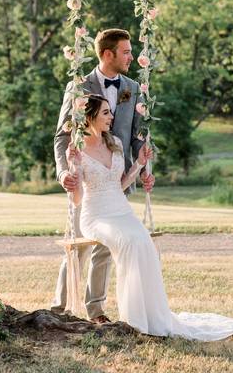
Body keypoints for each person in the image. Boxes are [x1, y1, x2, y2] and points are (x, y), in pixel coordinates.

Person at [70, 94, 233, 339]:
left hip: (121, 210)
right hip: (96, 216)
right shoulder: (77, 149)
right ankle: (134, 320)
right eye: (106, 113)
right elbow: (76, 199)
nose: (111, 117)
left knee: (144, 243)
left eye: (110, 112)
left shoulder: (115, 143)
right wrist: (74, 170)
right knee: (129, 243)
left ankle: (153, 315)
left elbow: (120, 185)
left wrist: (139, 165)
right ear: (90, 117)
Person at [50, 28, 149, 323]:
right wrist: (65, 172)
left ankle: (96, 309)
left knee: (106, 249)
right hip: (86, 177)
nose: (132, 57)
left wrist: (144, 168)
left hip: (116, 179)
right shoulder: (79, 86)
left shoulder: (132, 87)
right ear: (108, 54)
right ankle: (60, 307)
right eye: (126, 52)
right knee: (78, 244)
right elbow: (61, 135)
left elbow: (136, 136)